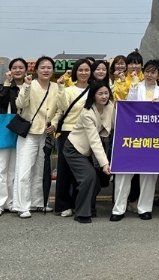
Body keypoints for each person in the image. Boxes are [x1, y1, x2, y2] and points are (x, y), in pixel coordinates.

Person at [110, 59, 159, 221]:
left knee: (149, 173)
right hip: (131, 136)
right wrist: (132, 84)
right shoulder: (135, 86)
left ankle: (145, 208)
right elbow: (128, 105)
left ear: (158, 74)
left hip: (153, 137)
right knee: (124, 171)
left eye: (153, 72)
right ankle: (118, 209)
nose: (149, 75)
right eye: (147, 71)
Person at [14, 56, 65, 218]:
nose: (46, 70)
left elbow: (61, 109)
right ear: (36, 70)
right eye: (42, 67)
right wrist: (26, 87)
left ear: (53, 70)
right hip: (29, 133)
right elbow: (20, 104)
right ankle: (22, 206)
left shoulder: (56, 87)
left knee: (41, 170)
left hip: (46, 134)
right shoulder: (30, 84)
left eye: (49, 67)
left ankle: (38, 202)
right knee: (24, 169)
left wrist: (55, 123)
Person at [63, 82, 112, 224]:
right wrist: (105, 164)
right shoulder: (87, 113)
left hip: (89, 150)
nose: (104, 96)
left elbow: (117, 122)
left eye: (106, 93)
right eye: (100, 94)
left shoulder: (109, 106)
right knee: (89, 176)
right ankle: (81, 213)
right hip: (74, 148)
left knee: (96, 181)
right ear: (93, 95)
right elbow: (94, 140)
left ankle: (90, 208)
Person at [50, 59, 93, 217]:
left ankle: (78, 202)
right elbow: (63, 107)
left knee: (82, 170)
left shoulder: (94, 89)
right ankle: (63, 205)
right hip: (69, 131)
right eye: (80, 70)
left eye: (86, 70)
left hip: (88, 133)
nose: (83, 73)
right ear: (75, 72)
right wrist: (61, 88)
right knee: (64, 169)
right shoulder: (69, 90)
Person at [0, 57, 27, 217]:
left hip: (22, 130)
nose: (18, 70)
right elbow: (1, 102)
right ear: (10, 70)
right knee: (0, 167)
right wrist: (6, 83)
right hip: (3, 130)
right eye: (14, 67)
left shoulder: (30, 86)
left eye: (21, 67)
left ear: (26, 70)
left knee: (15, 169)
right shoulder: (2, 86)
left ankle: (11, 202)